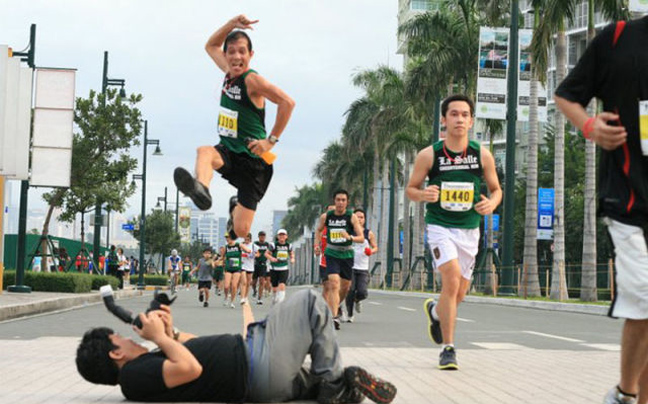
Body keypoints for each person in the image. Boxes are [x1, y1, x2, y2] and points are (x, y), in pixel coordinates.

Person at [75, 289, 397, 403]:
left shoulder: (143, 369)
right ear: (115, 353)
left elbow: (191, 350)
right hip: (256, 366)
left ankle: (339, 387)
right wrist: (158, 338)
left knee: (312, 380)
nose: (131, 339)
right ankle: (334, 385)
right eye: (124, 340)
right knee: (311, 302)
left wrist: (170, 334)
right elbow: (191, 368)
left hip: (259, 371)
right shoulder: (133, 379)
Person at [554, 15, 648, 404]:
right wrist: (590, 126)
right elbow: (566, 95)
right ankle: (626, 394)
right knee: (644, 297)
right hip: (629, 198)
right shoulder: (619, 38)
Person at [173, 14, 295, 242]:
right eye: (231, 51)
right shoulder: (229, 73)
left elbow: (288, 103)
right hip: (228, 149)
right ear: (226, 55)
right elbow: (210, 45)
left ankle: (234, 206)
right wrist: (231, 24)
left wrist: (270, 140)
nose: (236, 57)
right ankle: (201, 190)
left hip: (254, 160)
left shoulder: (252, 80)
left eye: (242, 51)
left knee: (240, 231)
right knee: (204, 152)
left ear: (251, 55)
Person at [406, 94, 502, 370]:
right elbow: (411, 189)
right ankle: (448, 349)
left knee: (459, 292)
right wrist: (424, 194)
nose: (459, 119)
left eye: (464, 114)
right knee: (450, 280)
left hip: (469, 230)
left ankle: (436, 312)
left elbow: (496, 190)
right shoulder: (429, 155)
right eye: (454, 114)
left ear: (471, 121)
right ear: (444, 120)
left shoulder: (481, 154)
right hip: (440, 227)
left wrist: (491, 203)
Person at [314, 191, 364, 330]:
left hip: (347, 254)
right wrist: (317, 245)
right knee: (334, 283)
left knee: (345, 287)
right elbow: (318, 230)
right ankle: (334, 317)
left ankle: (336, 305)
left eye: (343, 200)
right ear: (334, 201)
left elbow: (361, 238)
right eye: (338, 200)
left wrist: (350, 237)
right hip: (331, 253)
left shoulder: (351, 217)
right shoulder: (327, 216)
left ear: (347, 202)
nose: (340, 202)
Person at [344, 208, 378, 323]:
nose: (359, 219)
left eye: (361, 217)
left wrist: (371, 251)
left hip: (363, 267)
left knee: (362, 292)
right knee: (350, 290)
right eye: (357, 217)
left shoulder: (368, 233)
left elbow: (375, 247)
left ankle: (358, 300)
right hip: (350, 266)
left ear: (364, 219)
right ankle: (350, 314)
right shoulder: (348, 232)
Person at [265, 228, 295, 305]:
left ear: (286, 236)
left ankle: (281, 303)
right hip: (274, 268)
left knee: (282, 285)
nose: (282, 236)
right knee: (274, 288)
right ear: (278, 236)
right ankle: (274, 298)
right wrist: (272, 258)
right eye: (280, 235)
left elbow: (291, 253)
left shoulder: (289, 245)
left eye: (283, 235)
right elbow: (266, 254)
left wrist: (292, 259)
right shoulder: (273, 245)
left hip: (284, 268)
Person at [223, 234, 252, 308]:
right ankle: (226, 297)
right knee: (226, 286)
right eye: (226, 238)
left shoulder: (238, 245)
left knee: (234, 285)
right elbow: (223, 257)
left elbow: (247, 250)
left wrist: (248, 251)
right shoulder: (226, 247)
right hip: (228, 268)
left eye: (229, 237)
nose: (227, 239)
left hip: (237, 268)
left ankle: (232, 301)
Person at [252, 230, 271, 304]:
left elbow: (270, 253)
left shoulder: (267, 245)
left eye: (263, 236)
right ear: (259, 236)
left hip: (263, 264)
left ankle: (259, 298)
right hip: (256, 264)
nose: (262, 237)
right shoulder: (255, 244)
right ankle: (254, 290)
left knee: (262, 281)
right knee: (253, 282)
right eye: (261, 236)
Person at [240, 233, 258, 305]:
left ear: (250, 239)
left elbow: (258, 254)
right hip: (242, 265)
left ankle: (245, 297)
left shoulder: (253, 246)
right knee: (243, 282)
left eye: (248, 239)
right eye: (245, 239)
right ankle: (242, 298)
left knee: (248, 283)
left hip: (250, 266)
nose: (246, 240)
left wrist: (253, 255)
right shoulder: (241, 245)